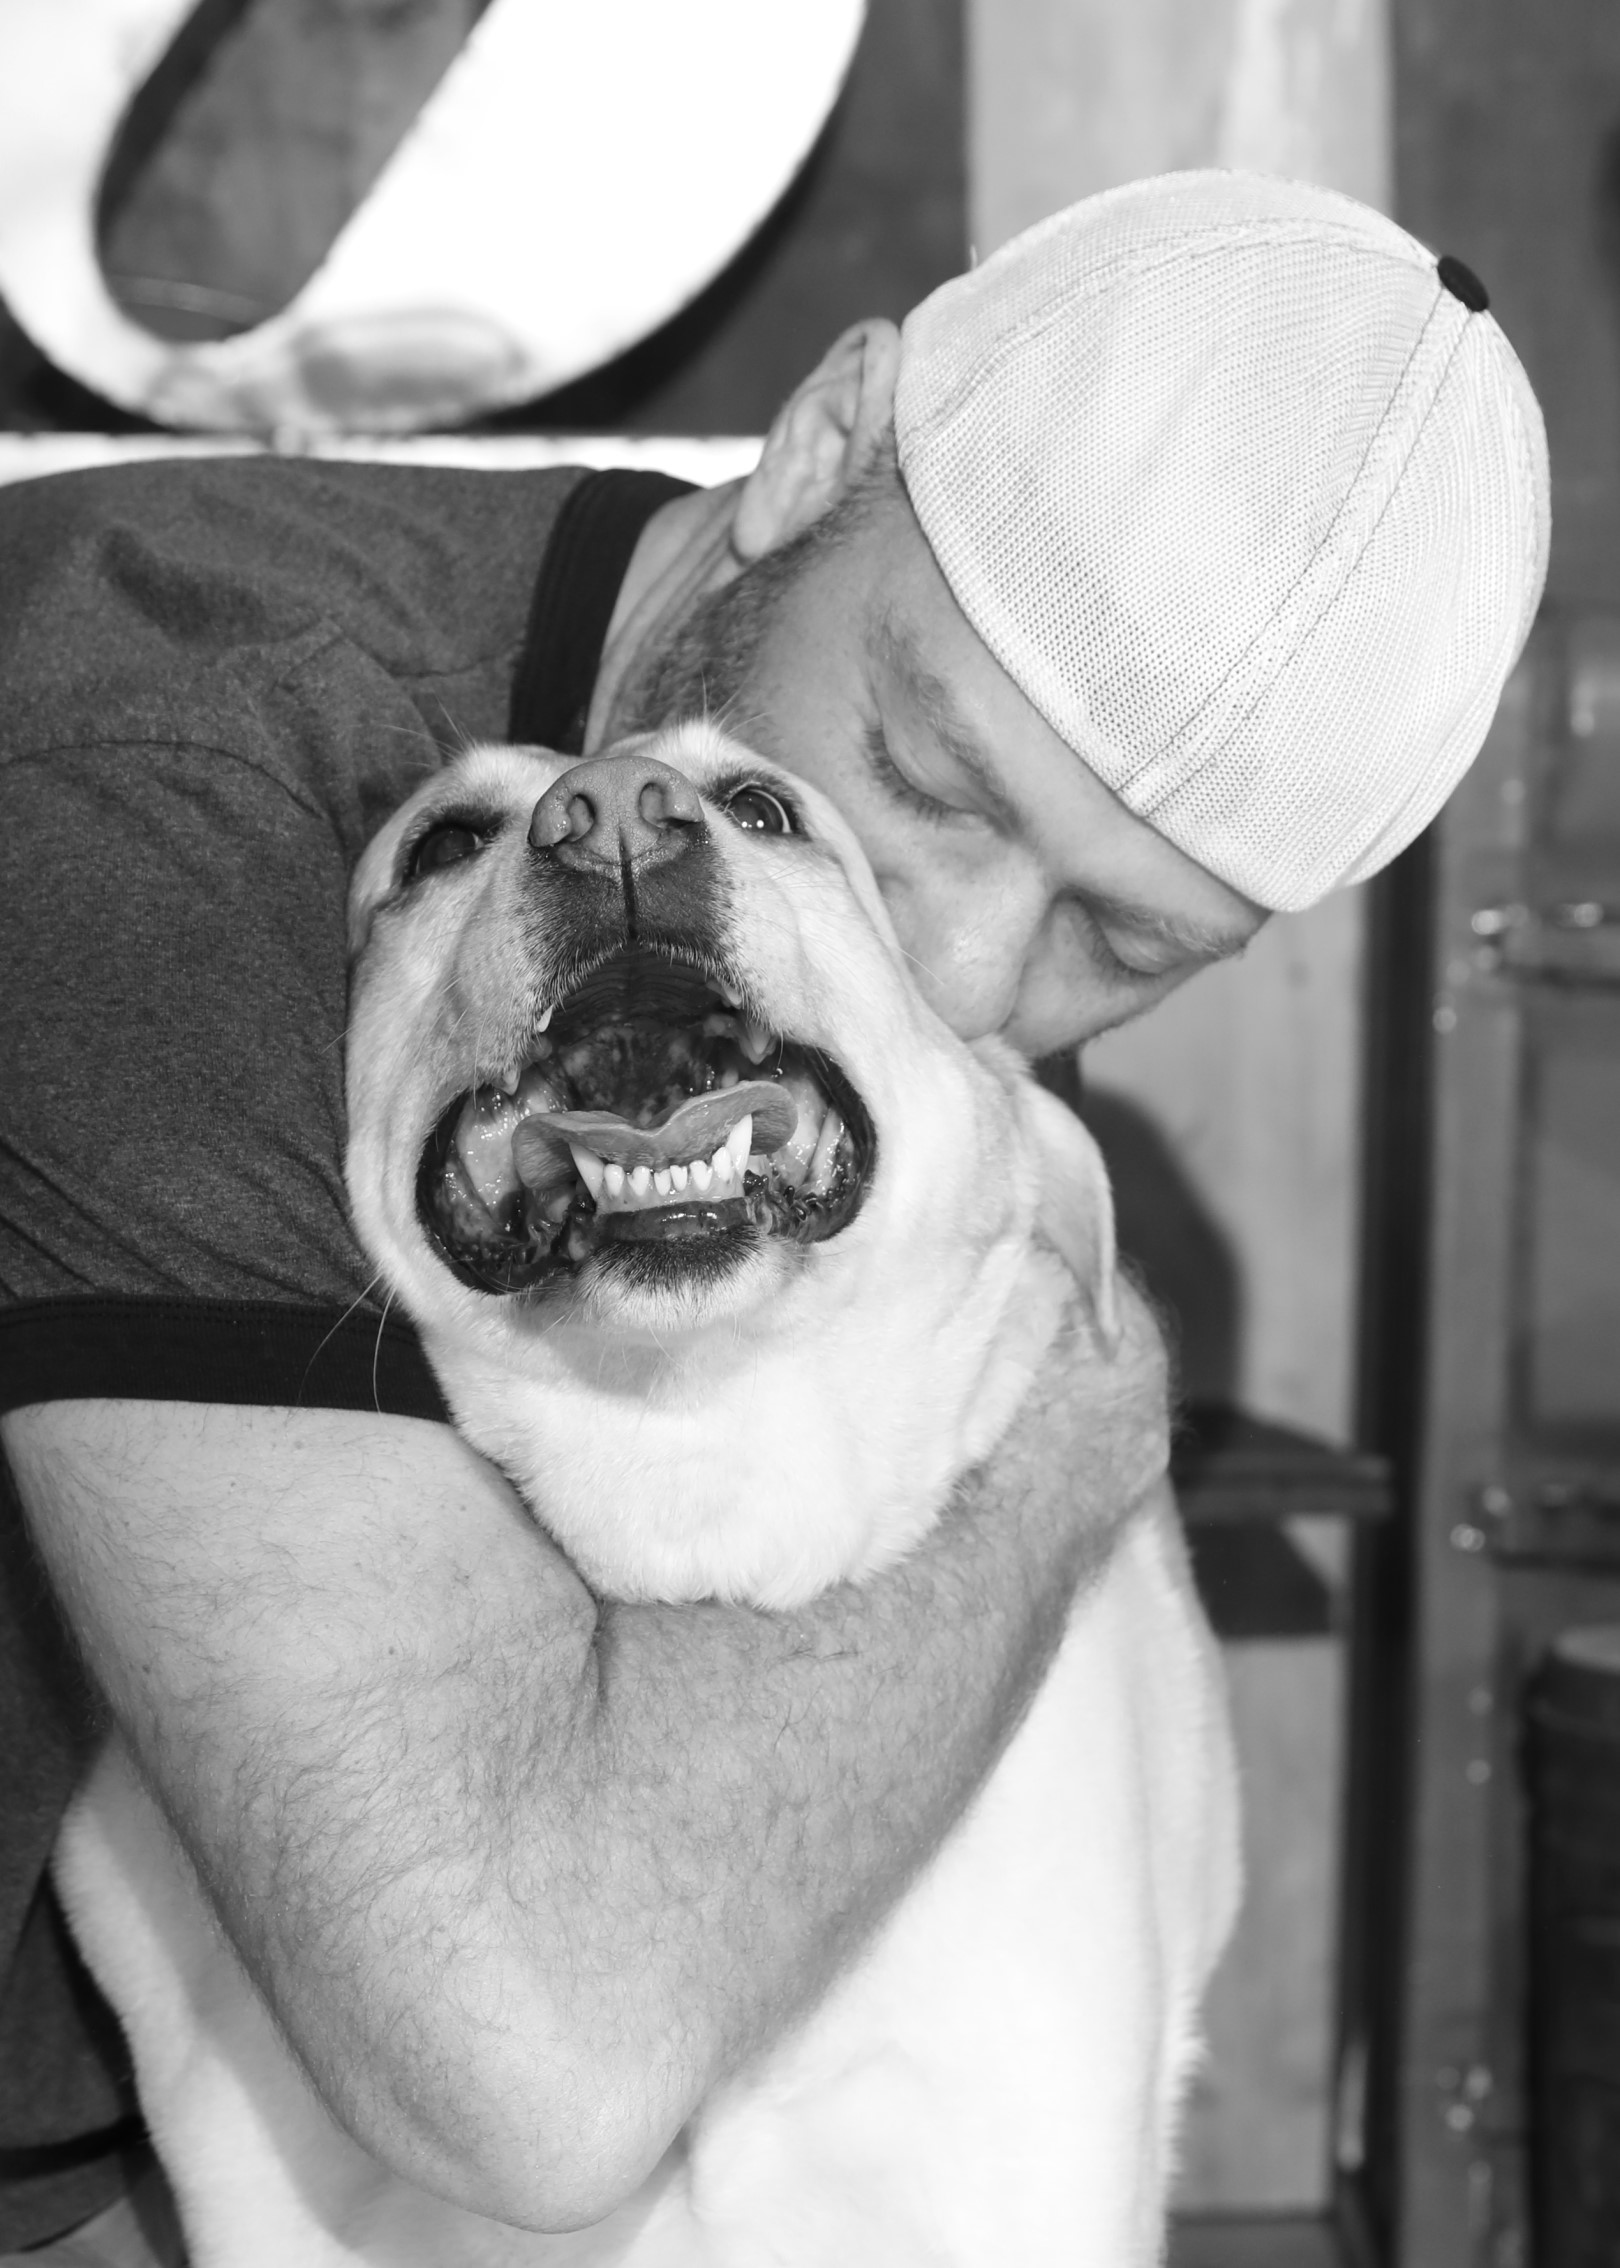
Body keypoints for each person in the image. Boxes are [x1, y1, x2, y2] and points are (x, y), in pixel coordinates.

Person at [0, 170, 1546, 2258]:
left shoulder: (843, 961)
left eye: (1125, 940)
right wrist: (1075, 1437)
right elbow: (526, 2057)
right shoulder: (162, 787)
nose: (969, 975)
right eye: (924, 779)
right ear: (821, 444)